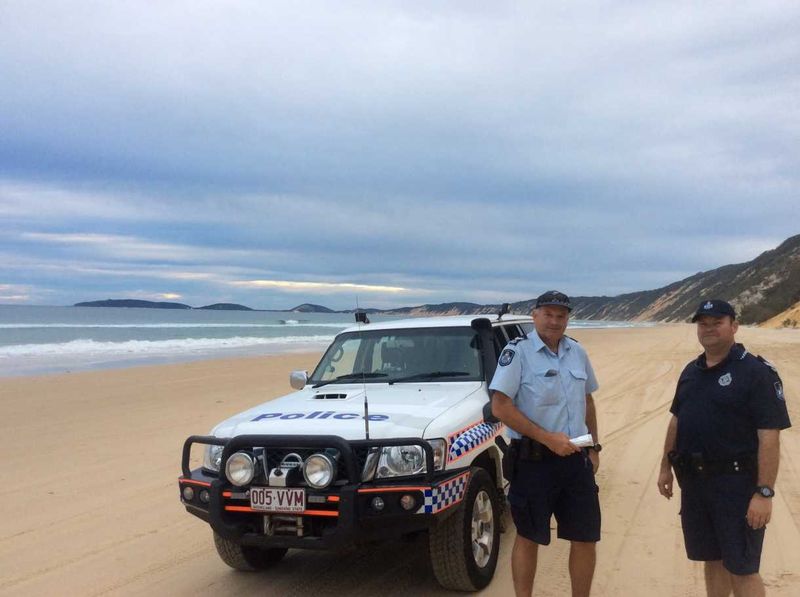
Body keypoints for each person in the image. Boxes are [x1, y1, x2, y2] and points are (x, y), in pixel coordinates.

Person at [657, 299, 791, 597]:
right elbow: (677, 421)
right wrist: (666, 466)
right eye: (703, 323)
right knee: (712, 560)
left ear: (734, 325)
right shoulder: (691, 371)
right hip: (696, 484)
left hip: (737, 487)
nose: (709, 329)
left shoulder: (756, 372)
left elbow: (769, 435)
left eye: (717, 322)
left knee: (742, 567)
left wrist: (764, 492)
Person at [490, 290, 601, 597]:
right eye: (548, 314)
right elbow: (501, 406)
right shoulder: (517, 352)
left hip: (576, 462)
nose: (554, 321)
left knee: (585, 537)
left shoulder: (576, 352)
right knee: (529, 537)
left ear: (568, 319)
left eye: (561, 315)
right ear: (535, 315)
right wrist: (547, 438)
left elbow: (588, 400)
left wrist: (594, 447)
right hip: (533, 462)